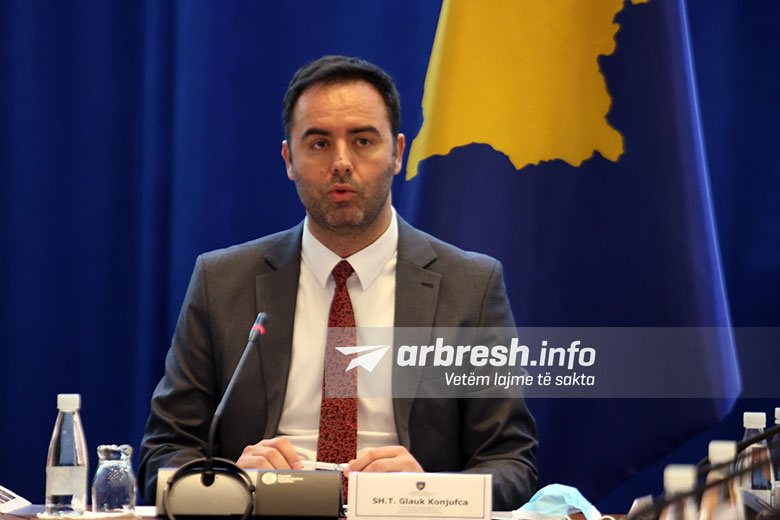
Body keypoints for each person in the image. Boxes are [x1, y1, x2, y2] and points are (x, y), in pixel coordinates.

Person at [138, 55, 538, 510]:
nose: (342, 163)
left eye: (363, 141)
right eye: (319, 143)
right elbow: (163, 453)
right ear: (289, 159)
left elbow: (511, 463)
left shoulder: (471, 286)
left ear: (398, 153)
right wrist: (232, 482)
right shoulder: (222, 281)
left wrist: (427, 493)